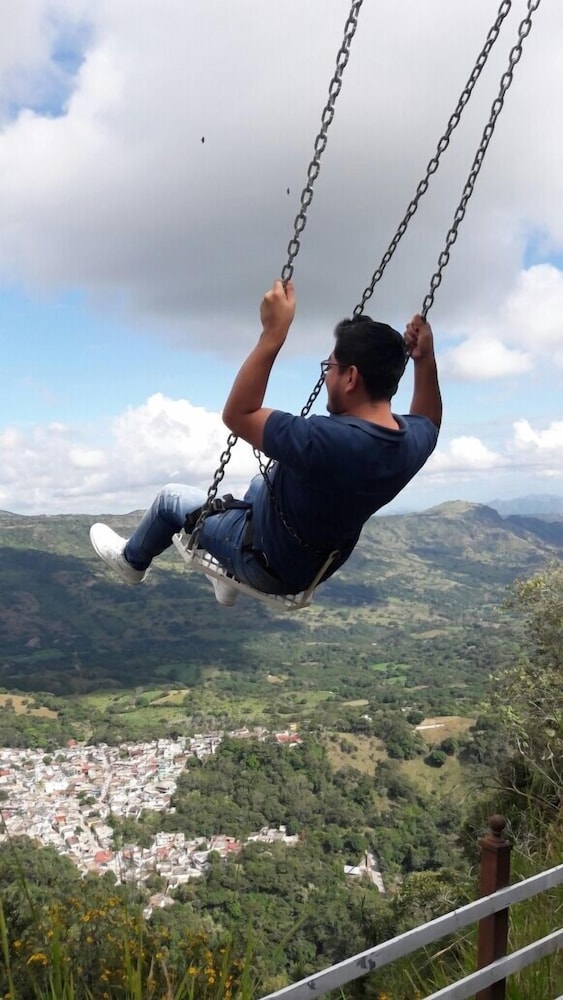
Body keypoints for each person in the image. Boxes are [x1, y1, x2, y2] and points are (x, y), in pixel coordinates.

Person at [90, 280, 441, 605]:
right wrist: (425, 361)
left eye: (329, 367)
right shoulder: (409, 441)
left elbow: (238, 414)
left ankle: (131, 561)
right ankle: (226, 571)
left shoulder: (325, 441)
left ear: (350, 377)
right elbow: (430, 420)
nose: (326, 376)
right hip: (313, 565)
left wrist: (273, 334)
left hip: (264, 562)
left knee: (170, 499)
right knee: (261, 482)